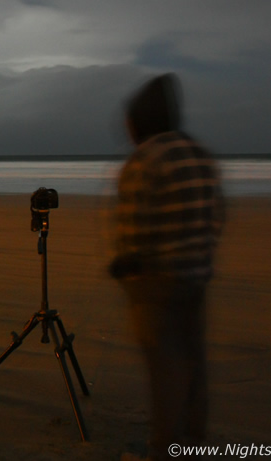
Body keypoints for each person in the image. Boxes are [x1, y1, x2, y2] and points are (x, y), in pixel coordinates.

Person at [109, 73, 224, 461]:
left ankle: (163, 451)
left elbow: (133, 228)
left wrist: (125, 265)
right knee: (193, 369)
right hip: (196, 276)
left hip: (154, 283)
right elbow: (217, 215)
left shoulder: (145, 158)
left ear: (140, 119)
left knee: (165, 374)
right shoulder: (199, 153)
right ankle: (192, 444)